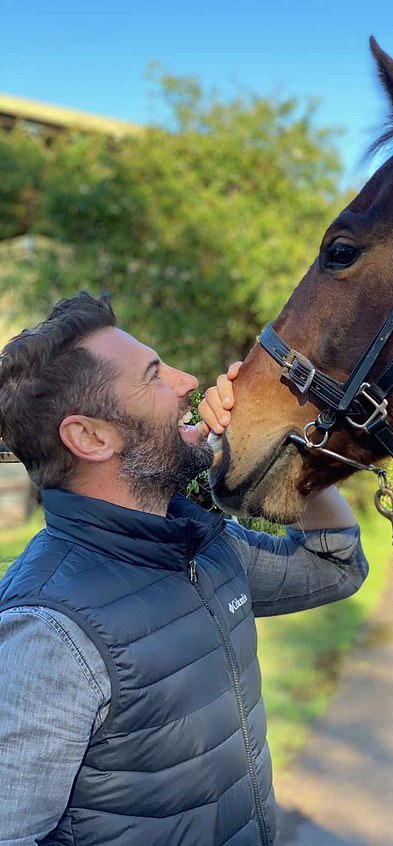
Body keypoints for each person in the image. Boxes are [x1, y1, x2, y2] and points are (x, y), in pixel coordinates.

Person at [0, 292, 368, 846]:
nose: (189, 380)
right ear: (90, 437)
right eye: (154, 376)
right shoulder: (48, 631)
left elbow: (334, 564)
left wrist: (284, 443)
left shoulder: (202, 545)